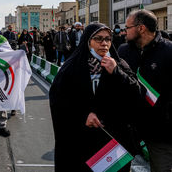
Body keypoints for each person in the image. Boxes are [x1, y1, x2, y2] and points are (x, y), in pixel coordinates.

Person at [49, 23, 144, 171]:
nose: (104, 43)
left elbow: (135, 92)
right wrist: (83, 115)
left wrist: (116, 71)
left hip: (112, 138)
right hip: (81, 139)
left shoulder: (119, 64)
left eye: (107, 39)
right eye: (98, 39)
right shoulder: (73, 66)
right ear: (88, 41)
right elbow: (59, 100)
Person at [118, 10, 172, 172]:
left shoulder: (169, 52)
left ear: (141, 28)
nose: (124, 31)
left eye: (127, 27)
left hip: (160, 130)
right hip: (128, 128)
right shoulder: (123, 51)